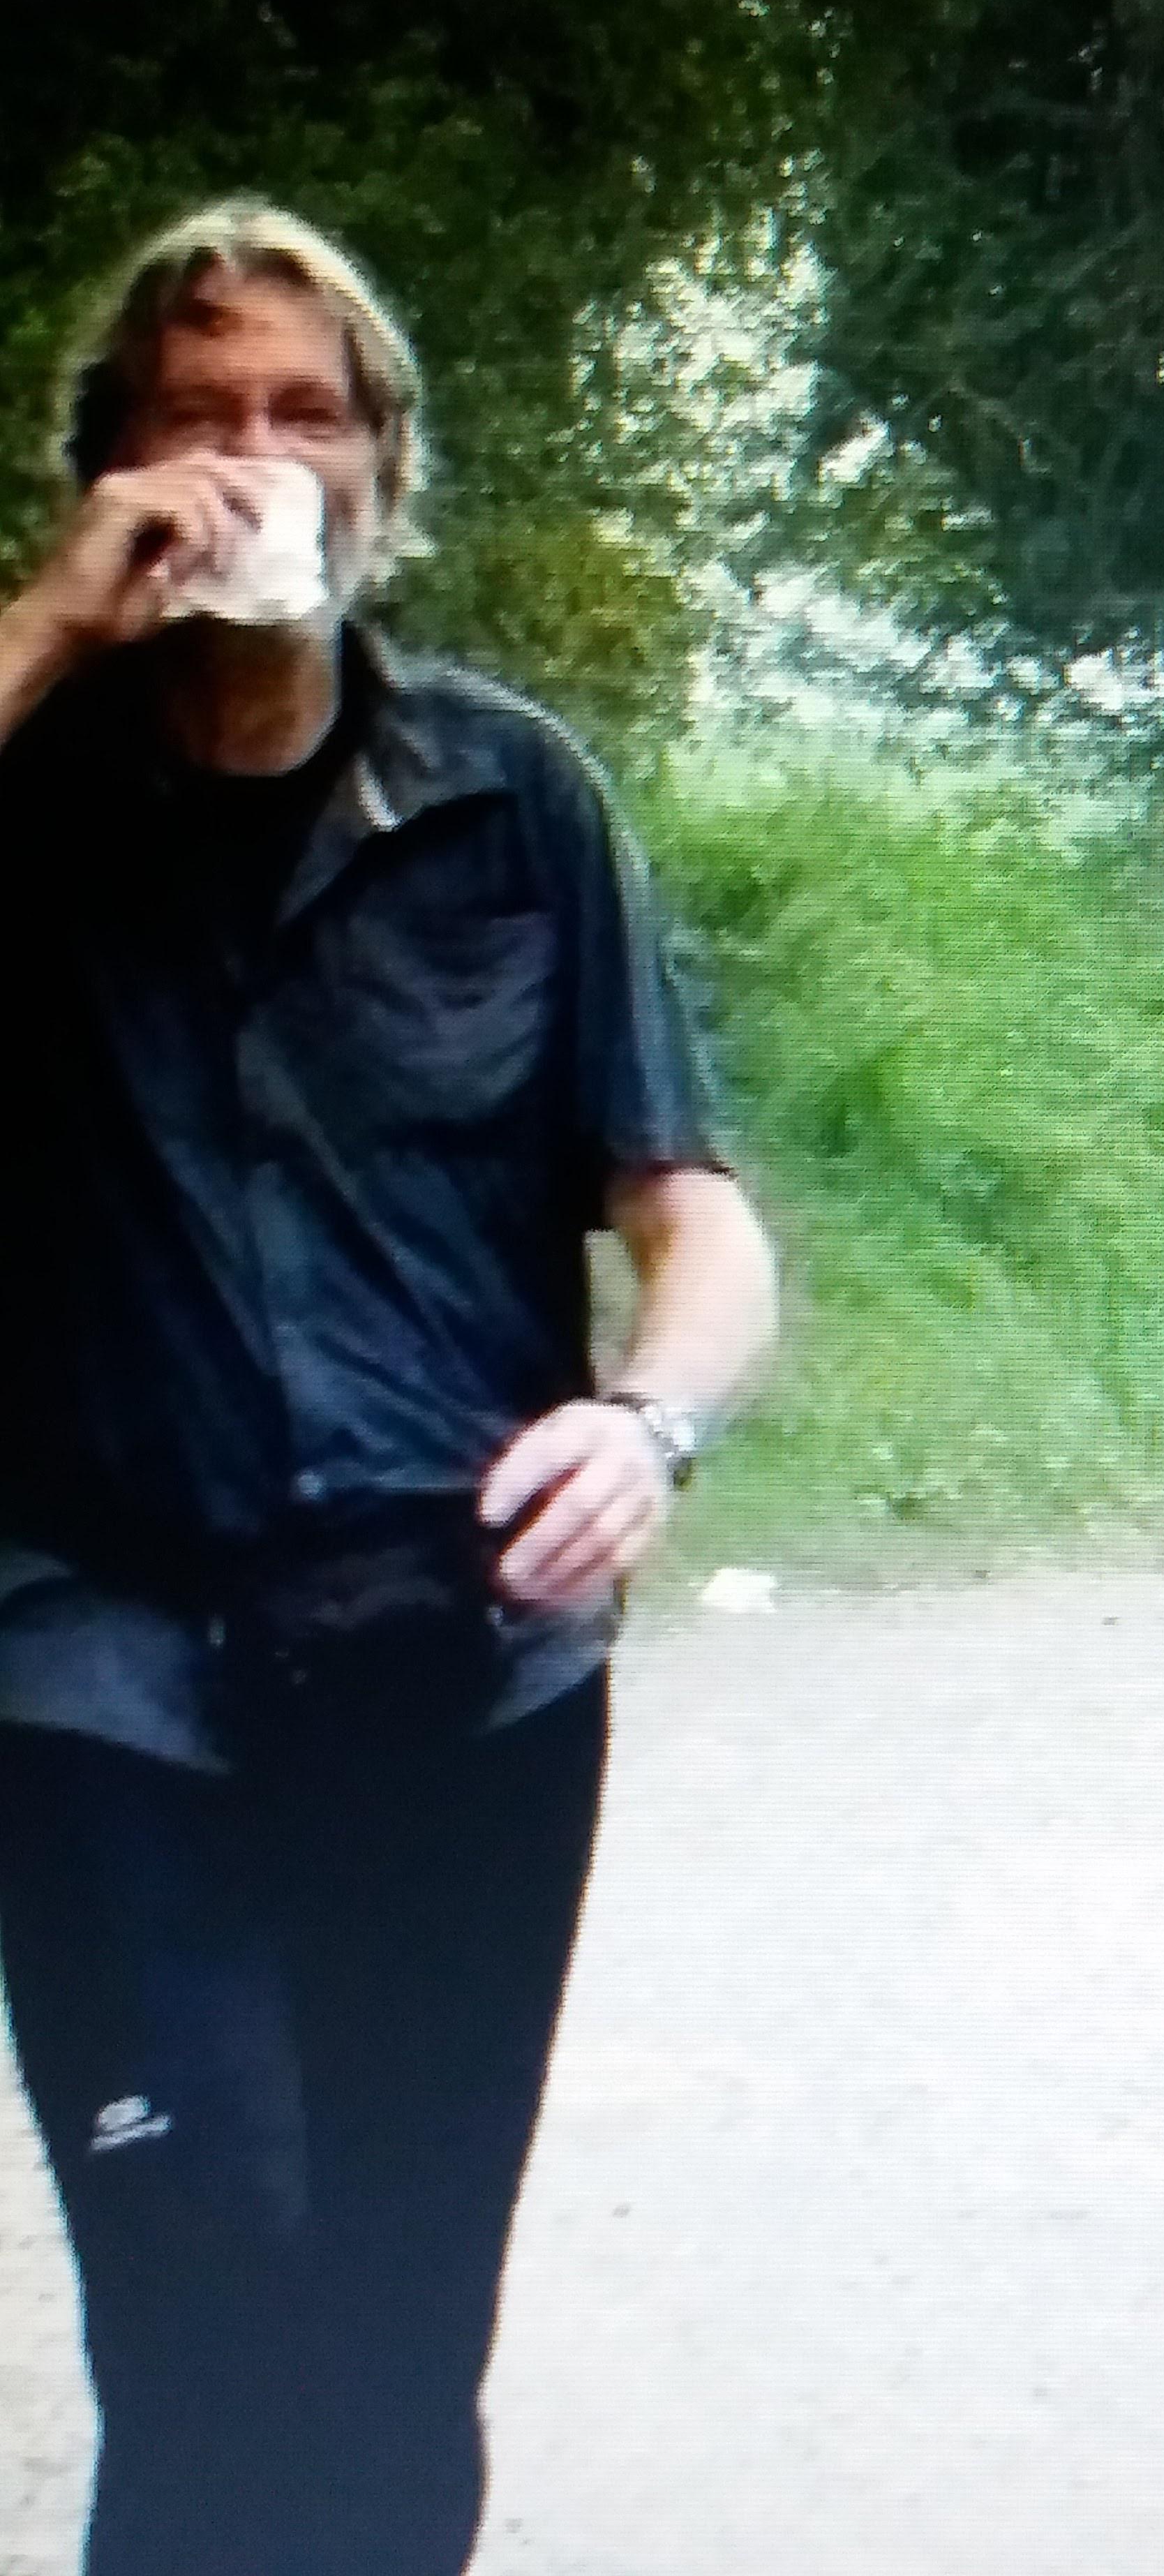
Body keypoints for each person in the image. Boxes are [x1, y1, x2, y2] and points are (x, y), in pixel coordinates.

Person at [0, 200, 779, 2576]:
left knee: (397, 2350)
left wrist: (644, 1423)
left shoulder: (515, 801)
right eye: (195, 415)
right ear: (113, 462)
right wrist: (46, 623)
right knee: (206, 2308)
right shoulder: (30, 771)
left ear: (384, 469)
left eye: (305, 413)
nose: (256, 458)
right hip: (101, 1672)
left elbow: (698, 1219)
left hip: (467, 1667)